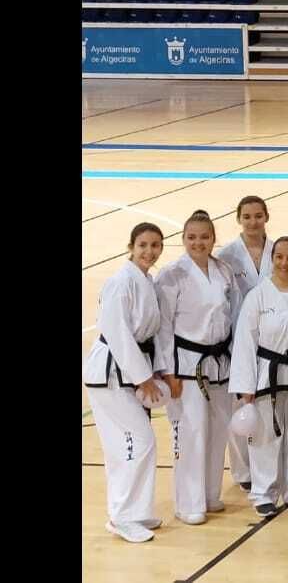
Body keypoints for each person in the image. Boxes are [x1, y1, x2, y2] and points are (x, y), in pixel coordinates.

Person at [155, 210, 242, 525]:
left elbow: (231, 316)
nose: (198, 242)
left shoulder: (223, 271)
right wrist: (168, 370)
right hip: (187, 365)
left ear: (214, 239)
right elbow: (163, 327)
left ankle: (209, 494)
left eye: (204, 237)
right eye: (192, 237)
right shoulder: (171, 274)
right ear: (183, 239)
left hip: (220, 362)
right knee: (191, 432)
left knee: (218, 430)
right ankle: (188, 503)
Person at [86, 222, 166, 543]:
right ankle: (121, 516)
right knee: (137, 442)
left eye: (155, 245)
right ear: (131, 246)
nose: (149, 251)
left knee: (136, 443)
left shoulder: (146, 281)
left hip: (129, 372)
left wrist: (154, 370)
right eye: (143, 245)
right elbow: (118, 334)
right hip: (110, 373)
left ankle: (136, 511)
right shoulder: (120, 283)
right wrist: (143, 377)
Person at [231, 236, 288, 516]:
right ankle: (263, 493)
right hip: (265, 374)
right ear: (273, 258)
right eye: (280, 257)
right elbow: (245, 341)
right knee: (266, 435)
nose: (285, 263)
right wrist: (246, 386)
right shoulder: (257, 295)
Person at [218, 194, 273, 489]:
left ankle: (267, 467)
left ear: (266, 217)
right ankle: (242, 473)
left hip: (272, 342)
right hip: (237, 344)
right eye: (247, 216)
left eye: (258, 215)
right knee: (239, 407)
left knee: (267, 410)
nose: (253, 221)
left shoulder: (279, 251)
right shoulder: (227, 256)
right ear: (239, 218)